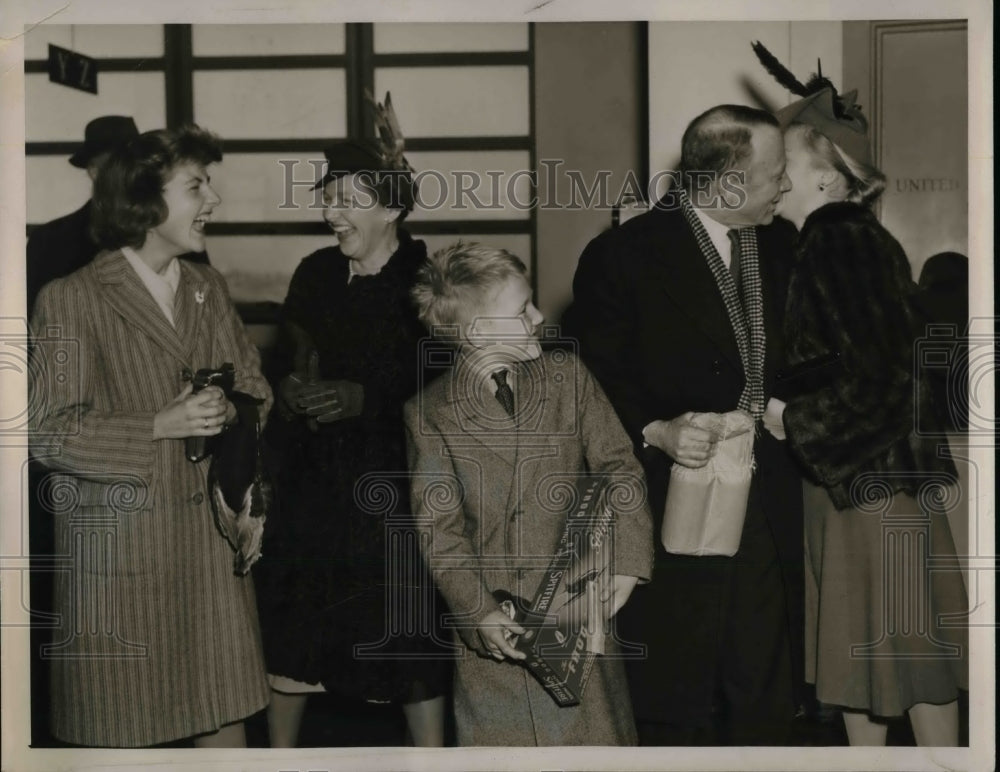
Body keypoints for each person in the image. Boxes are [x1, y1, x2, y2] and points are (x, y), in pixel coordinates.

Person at [565, 104, 804, 745]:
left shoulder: (786, 245)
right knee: (678, 684)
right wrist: (654, 430)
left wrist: (789, 409)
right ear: (726, 180)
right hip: (670, 493)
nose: (787, 186)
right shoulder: (623, 255)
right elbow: (593, 377)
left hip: (769, 493)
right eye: (776, 173)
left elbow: (815, 356)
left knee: (765, 680)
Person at [28, 125, 272, 748]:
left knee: (225, 723)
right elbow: (47, 432)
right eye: (197, 185)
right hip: (123, 561)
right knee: (124, 731)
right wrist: (159, 426)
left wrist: (233, 408)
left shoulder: (206, 287)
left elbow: (257, 389)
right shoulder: (70, 299)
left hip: (209, 554)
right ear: (144, 199)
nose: (213, 200)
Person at [766, 75, 968, 746]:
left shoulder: (839, 242)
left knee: (907, 659)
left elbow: (885, 378)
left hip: (869, 491)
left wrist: (794, 423)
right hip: (864, 485)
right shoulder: (842, 239)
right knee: (869, 665)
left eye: (784, 163)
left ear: (825, 179)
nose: (771, 174)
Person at [404, 242, 654, 746]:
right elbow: (440, 534)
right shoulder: (430, 413)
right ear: (477, 332)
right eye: (522, 310)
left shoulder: (568, 378)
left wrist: (628, 560)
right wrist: (478, 613)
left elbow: (619, 467)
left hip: (580, 614)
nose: (539, 316)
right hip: (497, 635)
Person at [255, 136, 451, 747]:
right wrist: (288, 386)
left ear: (391, 207)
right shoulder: (316, 271)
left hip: (392, 485)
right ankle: (276, 760)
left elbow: (445, 383)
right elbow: (292, 353)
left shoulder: (428, 280)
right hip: (311, 483)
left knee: (406, 633)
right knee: (292, 628)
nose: (330, 212)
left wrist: (366, 400)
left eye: (346, 200)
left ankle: (432, 760)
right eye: (327, 198)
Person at [26, 115, 209, 316]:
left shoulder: (173, 232)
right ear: (94, 172)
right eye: (118, 164)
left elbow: (207, 312)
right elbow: (34, 328)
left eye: (138, 165)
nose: (130, 173)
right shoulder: (49, 242)